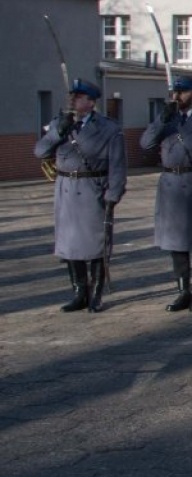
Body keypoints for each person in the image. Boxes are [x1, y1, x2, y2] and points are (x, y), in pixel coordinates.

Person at [34, 79, 126, 313]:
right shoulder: (60, 123)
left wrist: (113, 193)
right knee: (70, 244)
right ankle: (79, 292)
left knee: (95, 244)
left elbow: (117, 165)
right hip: (66, 188)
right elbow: (40, 151)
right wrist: (58, 132)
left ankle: (96, 293)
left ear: (91, 102)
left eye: (78, 97)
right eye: (72, 96)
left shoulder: (108, 128)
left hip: (92, 187)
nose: (73, 100)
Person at [140, 75, 192, 312]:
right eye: (174, 92)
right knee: (175, 242)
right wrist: (161, 120)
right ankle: (183, 292)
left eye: (183, 92)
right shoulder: (167, 119)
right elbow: (145, 144)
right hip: (170, 184)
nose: (177, 97)